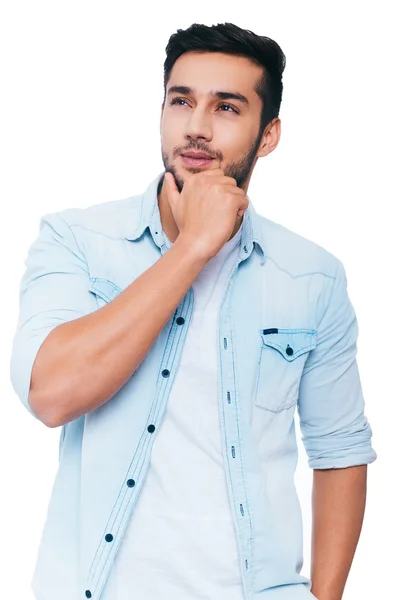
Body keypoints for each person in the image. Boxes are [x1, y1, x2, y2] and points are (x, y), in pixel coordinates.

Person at [10, 21, 377, 600]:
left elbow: (341, 452)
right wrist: (193, 248)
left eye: (227, 107)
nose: (197, 128)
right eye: (181, 101)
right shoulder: (76, 241)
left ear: (269, 133)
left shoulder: (312, 277)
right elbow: (51, 394)